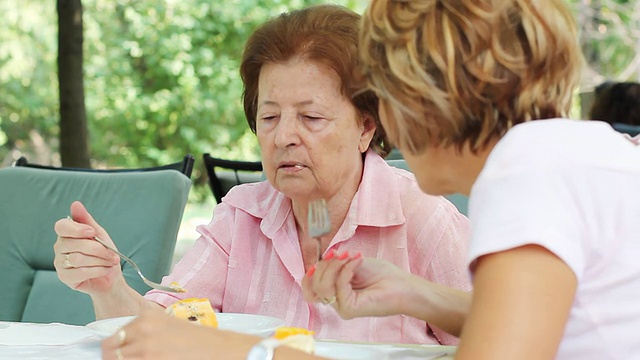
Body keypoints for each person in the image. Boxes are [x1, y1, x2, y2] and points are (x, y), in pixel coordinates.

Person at [54, 4, 472, 358]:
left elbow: (505, 334)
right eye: (269, 117)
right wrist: (107, 286)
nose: (283, 136)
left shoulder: (422, 217)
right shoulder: (241, 216)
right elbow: (164, 330)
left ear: (366, 127)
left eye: (311, 117)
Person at [303, 0, 640, 359]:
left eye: (383, 94)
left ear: (421, 98)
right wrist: (409, 293)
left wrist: (264, 351)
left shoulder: (524, 175)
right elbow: (552, 319)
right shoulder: (580, 150)